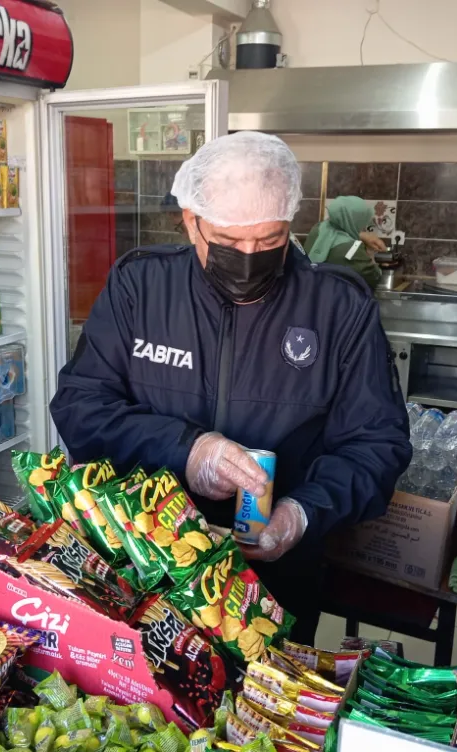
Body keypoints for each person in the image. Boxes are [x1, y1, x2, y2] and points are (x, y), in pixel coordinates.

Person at [50, 131, 411, 644]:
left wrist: (302, 514)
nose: (248, 258)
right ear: (189, 220)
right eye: (227, 242)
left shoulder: (338, 309)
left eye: (269, 242)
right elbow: (80, 406)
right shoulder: (141, 287)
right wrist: (187, 450)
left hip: (272, 586)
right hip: (140, 570)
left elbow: (378, 445)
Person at [304, 195, 386, 293]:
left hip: (308, 293)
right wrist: (370, 253)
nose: (364, 226)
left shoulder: (317, 229)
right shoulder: (352, 250)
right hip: (335, 302)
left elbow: (339, 232)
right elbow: (373, 278)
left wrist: (361, 235)